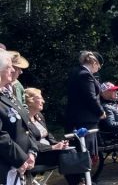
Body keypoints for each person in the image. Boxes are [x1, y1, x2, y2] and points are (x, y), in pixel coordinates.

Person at [64, 50, 105, 184]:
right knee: (83, 151)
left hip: (80, 118)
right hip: (84, 120)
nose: (98, 69)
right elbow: (90, 97)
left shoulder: (77, 72)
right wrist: (100, 112)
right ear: (94, 63)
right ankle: (81, 180)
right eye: (99, 66)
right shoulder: (84, 75)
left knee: (84, 151)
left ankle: (84, 179)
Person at [0, 51, 38, 185]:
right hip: (5, 168)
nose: (13, 70)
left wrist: (32, 151)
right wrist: (21, 159)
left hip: (18, 167)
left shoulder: (7, 95)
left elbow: (25, 123)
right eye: (10, 66)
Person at [23, 88, 78, 171]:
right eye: (39, 98)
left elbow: (48, 134)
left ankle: (81, 182)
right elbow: (31, 143)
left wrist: (59, 144)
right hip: (37, 154)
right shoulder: (24, 120)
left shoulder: (39, 116)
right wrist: (53, 147)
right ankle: (80, 182)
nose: (43, 101)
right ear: (29, 101)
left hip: (50, 151)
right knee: (68, 154)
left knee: (70, 150)